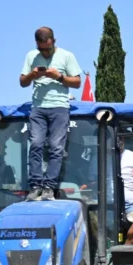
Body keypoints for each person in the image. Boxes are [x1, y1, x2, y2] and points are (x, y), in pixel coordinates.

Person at [20, 27, 82, 201]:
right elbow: (22, 82)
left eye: (48, 49)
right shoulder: (31, 56)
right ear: (37, 45)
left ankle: (49, 187)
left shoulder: (67, 56)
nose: (45, 53)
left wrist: (59, 77)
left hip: (60, 107)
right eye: (42, 50)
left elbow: (77, 82)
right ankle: (35, 186)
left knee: (56, 147)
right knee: (36, 144)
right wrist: (32, 74)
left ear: (54, 41)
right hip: (38, 107)